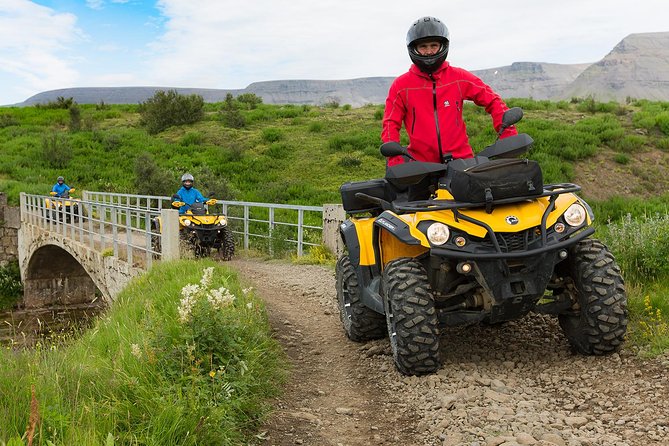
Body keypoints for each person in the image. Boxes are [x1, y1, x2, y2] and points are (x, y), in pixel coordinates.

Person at [382, 16, 518, 167]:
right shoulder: (401, 85)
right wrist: (395, 160)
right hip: (421, 167)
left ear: (442, 46)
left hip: (462, 161)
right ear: (414, 49)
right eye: (423, 46)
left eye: (434, 45)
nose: (429, 51)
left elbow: (492, 100)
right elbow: (390, 123)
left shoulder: (459, 77)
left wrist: (508, 134)